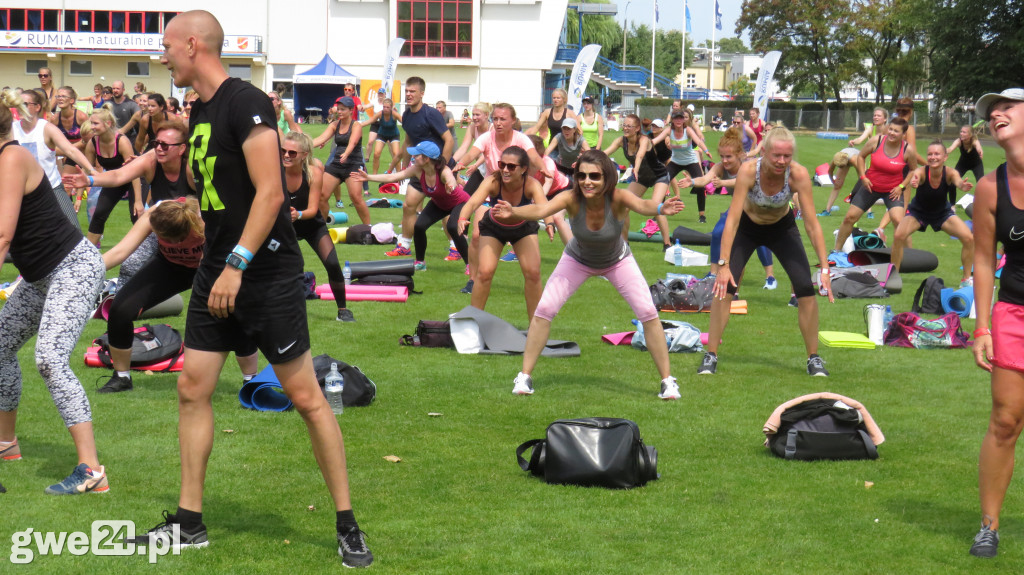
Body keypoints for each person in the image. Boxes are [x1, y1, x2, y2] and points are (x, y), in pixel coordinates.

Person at [128, 11, 372, 567]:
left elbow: (268, 195)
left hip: (261, 274)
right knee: (192, 389)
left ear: (194, 44)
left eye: (167, 46)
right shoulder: (202, 110)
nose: (162, 56)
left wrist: (237, 262)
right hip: (218, 271)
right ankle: (190, 524)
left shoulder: (246, 101)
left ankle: (347, 523)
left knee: (307, 397)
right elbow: (210, 188)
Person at [493, 149, 685, 397]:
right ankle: (524, 377)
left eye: (594, 176)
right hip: (577, 259)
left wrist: (660, 206)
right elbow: (542, 210)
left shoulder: (618, 197)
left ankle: (667, 382)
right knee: (544, 310)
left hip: (617, 261)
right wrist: (515, 212)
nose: (587, 182)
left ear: (607, 178)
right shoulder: (571, 198)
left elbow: (643, 205)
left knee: (648, 313)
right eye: (582, 176)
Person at [0, 89, 108, 494]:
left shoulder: (12, 158)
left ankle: (92, 470)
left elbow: (3, 234)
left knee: (49, 358)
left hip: (73, 268)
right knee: (1, 343)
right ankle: (6, 442)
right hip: (41, 276)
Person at [699, 127, 834, 377]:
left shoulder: (798, 175)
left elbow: (812, 224)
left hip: (782, 229)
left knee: (805, 289)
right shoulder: (749, 171)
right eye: (777, 156)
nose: (782, 161)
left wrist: (825, 268)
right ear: (765, 152)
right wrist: (723, 264)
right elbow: (732, 220)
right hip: (747, 228)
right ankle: (711, 354)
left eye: (787, 156)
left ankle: (813, 358)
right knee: (725, 288)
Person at [93, 198, 261, 392]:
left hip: (209, 266)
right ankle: (121, 377)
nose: (171, 243)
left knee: (231, 312)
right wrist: (87, 271)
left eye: (176, 241)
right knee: (120, 310)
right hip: (170, 267)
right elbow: (120, 252)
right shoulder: (154, 216)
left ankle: (250, 380)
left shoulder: (204, 222)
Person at [968, 87, 1024, 559]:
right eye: (991, 112)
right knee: (1005, 421)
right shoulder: (990, 186)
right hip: (1014, 311)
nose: (996, 115)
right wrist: (982, 326)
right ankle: (989, 525)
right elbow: (984, 260)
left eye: (1008, 107)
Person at [64, 119, 191, 287]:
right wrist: (90, 179)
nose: (159, 148)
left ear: (182, 148)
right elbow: (118, 176)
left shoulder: (191, 168)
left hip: (194, 227)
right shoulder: (151, 160)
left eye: (165, 145)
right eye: (156, 143)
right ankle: (86, 278)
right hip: (163, 220)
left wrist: (138, 201)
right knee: (130, 264)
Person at [452, 104, 550, 291]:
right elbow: (473, 153)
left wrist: (543, 167)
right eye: (495, 119)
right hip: (494, 190)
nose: (497, 123)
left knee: (525, 242)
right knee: (475, 236)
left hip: (517, 195)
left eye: (502, 119)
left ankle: (527, 271)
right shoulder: (486, 138)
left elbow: (534, 157)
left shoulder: (521, 139)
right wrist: (461, 163)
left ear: (513, 121)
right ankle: (473, 279)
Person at [458, 145, 554, 320]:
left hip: (523, 229)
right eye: (502, 165)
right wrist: (462, 218)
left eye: (511, 166)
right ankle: (473, 322)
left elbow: (544, 208)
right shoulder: (493, 181)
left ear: (524, 169)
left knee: (533, 273)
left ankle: (536, 326)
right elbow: (472, 203)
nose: (505, 170)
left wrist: (549, 224)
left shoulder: (531, 184)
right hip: (494, 228)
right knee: (485, 272)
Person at [678, 127, 778, 290]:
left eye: (729, 157)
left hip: (758, 209)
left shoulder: (748, 166)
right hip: (738, 208)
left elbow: (741, 181)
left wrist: (723, 183)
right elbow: (705, 179)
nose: (725, 160)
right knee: (718, 232)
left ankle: (770, 277)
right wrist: (693, 182)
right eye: (722, 156)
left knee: (760, 241)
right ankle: (712, 274)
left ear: (739, 155)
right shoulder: (720, 167)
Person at [353, 141, 469, 271]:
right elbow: (394, 177)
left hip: (460, 203)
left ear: (426, 159)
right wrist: (368, 177)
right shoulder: (418, 170)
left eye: (416, 155)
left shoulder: (443, 170)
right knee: (419, 226)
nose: (413, 158)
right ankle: (420, 262)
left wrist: (450, 185)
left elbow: (450, 179)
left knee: (452, 226)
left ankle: (470, 264)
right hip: (440, 204)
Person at [278, 131, 355, 322]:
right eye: (283, 151)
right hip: (283, 226)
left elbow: (313, 209)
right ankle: (281, 309)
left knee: (332, 264)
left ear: (304, 154)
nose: (286, 155)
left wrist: (298, 214)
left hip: (311, 224)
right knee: (287, 268)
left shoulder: (313, 173)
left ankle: (343, 310)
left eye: (292, 153)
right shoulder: (274, 172)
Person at [384, 77, 455, 258]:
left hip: (438, 167)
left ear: (422, 93)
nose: (408, 94)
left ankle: (455, 247)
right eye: (407, 91)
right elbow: (409, 139)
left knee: (446, 209)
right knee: (409, 205)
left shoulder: (431, 114)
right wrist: (404, 166)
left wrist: (443, 165)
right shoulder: (406, 115)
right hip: (419, 168)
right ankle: (405, 245)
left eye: (412, 91)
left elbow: (449, 140)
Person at [891, 139, 975, 283]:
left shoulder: (950, 172)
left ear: (945, 157)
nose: (933, 157)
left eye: (937, 154)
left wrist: (962, 185)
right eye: (930, 154)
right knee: (899, 236)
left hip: (942, 214)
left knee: (969, 238)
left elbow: (958, 181)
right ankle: (892, 277)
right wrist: (914, 182)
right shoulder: (921, 171)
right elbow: (916, 175)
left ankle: (966, 279)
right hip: (918, 213)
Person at [13, 88, 96, 226]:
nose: (21, 108)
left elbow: (70, 151)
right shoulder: (12, 130)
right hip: (22, 191)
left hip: (51, 187)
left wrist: (91, 170)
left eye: (25, 104)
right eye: (19, 104)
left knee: (73, 228)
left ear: (37, 107)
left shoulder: (46, 128)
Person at [833, 117, 918, 252]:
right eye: (890, 129)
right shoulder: (876, 141)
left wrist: (901, 187)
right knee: (850, 217)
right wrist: (863, 177)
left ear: (903, 135)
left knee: (899, 221)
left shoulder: (908, 150)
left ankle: (911, 255)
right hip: (870, 186)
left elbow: (913, 170)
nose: (891, 133)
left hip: (892, 191)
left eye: (896, 131)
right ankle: (836, 251)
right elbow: (861, 157)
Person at [604, 114, 673, 249]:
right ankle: (624, 243)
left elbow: (640, 154)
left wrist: (635, 168)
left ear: (637, 128)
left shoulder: (644, 140)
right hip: (641, 178)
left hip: (659, 176)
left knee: (656, 206)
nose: (625, 128)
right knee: (623, 206)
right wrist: (587, 156)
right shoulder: (620, 141)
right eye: (624, 125)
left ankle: (667, 244)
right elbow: (604, 153)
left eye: (629, 126)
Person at [80, 107, 144, 245]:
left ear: (108, 124)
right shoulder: (92, 143)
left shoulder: (121, 141)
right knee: (99, 214)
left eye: (95, 123)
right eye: (91, 123)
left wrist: (138, 201)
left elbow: (134, 172)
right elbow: (86, 172)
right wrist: (79, 197)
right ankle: (89, 254)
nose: (92, 127)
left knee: (137, 215)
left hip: (137, 177)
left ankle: (146, 251)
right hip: (115, 179)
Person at [312, 96, 370, 225]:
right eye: (338, 109)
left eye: (343, 109)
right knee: (322, 196)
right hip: (337, 164)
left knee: (356, 197)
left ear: (351, 110)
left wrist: (347, 153)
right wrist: (303, 145)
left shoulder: (356, 125)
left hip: (353, 164)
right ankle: (320, 228)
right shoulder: (334, 125)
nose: (339, 112)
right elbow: (320, 139)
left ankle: (368, 227)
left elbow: (353, 142)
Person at [655, 109, 711, 224]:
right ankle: (659, 213)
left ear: (684, 120)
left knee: (700, 185)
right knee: (662, 182)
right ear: (673, 120)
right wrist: (645, 145)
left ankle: (702, 216)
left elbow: (698, 141)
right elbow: (655, 140)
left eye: (681, 118)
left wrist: (706, 150)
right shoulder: (669, 131)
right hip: (675, 162)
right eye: (676, 118)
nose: (679, 120)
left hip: (691, 161)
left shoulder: (688, 130)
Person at [819, 147, 861, 215]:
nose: (840, 168)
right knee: (837, 186)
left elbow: (864, 174)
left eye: (841, 167)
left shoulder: (854, 160)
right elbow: (830, 171)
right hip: (845, 159)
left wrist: (854, 192)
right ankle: (827, 210)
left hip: (859, 159)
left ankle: (869, 212)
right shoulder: (836, 159)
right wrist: (833, 181)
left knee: (863, 185)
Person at [366, 97, 401, 176]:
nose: (385, 109)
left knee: (396, 154)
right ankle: (375, 175)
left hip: (394, 135)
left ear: (391, 108)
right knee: (376, 154)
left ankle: (399, 175)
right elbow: (371, 120)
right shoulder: (380, 113)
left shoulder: (394, 114)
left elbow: (405, 122)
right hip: (382, 135)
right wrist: (360, 125)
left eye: (387, 107)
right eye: (384, 107)